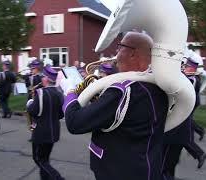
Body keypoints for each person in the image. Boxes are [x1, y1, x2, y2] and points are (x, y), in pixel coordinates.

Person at [63, 32, 169, 180]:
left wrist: (69, 92)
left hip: (117, 171)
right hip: (147, 166)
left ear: (133, 54)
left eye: (120, 48)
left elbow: (74, 122)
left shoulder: (123, 91)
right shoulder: (160, 87)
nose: (115, 54)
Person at [162, 58, 206, 178]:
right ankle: (198, 150)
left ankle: (199, 152)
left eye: (186, 66)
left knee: (165, 167)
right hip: (180, 125)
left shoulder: (190, 79)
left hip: (179, 124)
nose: (184, 68)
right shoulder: (185, 78)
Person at [27, 64, 65, 180]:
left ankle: (57, 177)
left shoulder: (41, 93)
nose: (41, 78)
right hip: (54, 131)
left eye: (43, 76)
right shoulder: (59, 94)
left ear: (46, 79)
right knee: (45, 158)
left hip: (41, 132)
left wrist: (30, 103)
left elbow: (33, 111)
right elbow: (61, 114)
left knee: (39, 159)